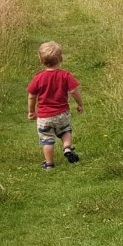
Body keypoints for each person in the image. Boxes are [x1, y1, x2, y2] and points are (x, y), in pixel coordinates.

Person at [27, 41, 84, 170]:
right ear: (61, 58)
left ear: (41, 60)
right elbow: (74, 91)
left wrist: (31, 111)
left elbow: (31, 95)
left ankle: (49, 164)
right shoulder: (65, 75)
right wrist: (80, 104)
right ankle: (67, 147)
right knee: (65, 131)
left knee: (47, 140)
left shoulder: (38, 77)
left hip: (44, 117)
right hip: (62, 114)